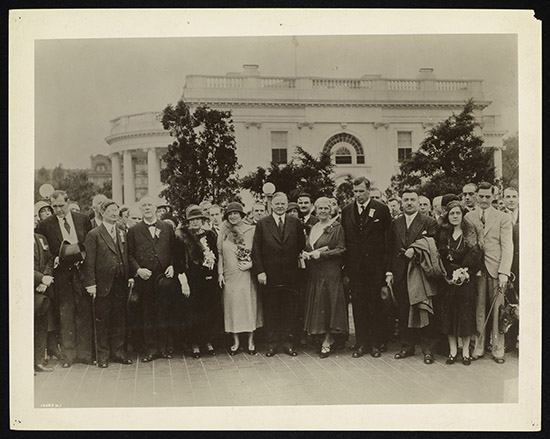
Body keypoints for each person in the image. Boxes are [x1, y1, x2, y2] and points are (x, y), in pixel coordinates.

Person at [37, 190, 93, 367]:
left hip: (81, 272)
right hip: (61, 274)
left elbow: (90, 244)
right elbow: (45, 251)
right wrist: (55, 258)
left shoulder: (82, 219)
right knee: (66, 314)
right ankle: (69, 355)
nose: (58, 210)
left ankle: (85, 354)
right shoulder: (46, 225)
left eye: (61, 205)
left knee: (84, 312)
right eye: (54, 207)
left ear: (68, 203)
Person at [385, 188, 439, 364]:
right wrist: (390, 272)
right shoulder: (395, 223)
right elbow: (390, 249)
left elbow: (431, 245)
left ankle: (428, 349)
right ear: (401, 202)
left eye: (412, 200)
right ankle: (407, 346)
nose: (409, 203)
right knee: (403, 309)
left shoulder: (428, 222)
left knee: (423, 309)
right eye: (406, 200)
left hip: (420, 272)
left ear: (418, 202)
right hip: (400, 272)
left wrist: (414, 250)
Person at [341, 177, 391, 358]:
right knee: (359, 306)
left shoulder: (381, 209)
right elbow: (345, 241)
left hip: (375, 268)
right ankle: (361, 343)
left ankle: (376, 343)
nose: (358, 195)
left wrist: (386, 268)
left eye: (361, 191)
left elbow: (388, 240)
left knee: (375, 304)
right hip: (355, 268)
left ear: (369, 191)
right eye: (355, 192)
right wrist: (346, 270)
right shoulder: (346, 211)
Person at [252, 192, 306, 357]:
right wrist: (260, 271)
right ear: (271, 205)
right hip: (270, 275)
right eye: (277, 203)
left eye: (283, 203)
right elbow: (256, 250)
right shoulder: (262, 224)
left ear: (287, 204)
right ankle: (272, 344)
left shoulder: (295, 222)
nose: (280, 206)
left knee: (289, 309)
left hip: (290, 275)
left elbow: (300, 245)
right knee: (272, 309)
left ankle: (289, 343)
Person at [465, 182, 513, 364]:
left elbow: (508, 246)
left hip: (496, 269)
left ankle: (498, 349)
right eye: (481, 196)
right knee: (478, 309)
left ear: (493, 197)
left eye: (488, 196)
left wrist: (504, 272)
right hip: (477, 270)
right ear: (476, 196)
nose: (484, 200)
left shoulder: (502, 217)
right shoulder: (469, 217)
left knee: (498, 311)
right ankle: (478, 346)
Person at [82, 199, 134, 368]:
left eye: (116, 210)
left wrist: (129, 276)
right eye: (110, 210)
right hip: (103, 284)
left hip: (120, 281)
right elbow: (89, 261)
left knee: (119, 319)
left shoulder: (121, 231)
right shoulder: (94, 234)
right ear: (102, 213)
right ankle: (103, 356)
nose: (113, 213)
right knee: (102, 320)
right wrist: (91, 284)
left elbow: (126, 254)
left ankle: (118, 352)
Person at [127, 195, 176, 362]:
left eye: (149, 205)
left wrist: (171, 265)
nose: (147, 208)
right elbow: (130, 254)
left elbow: (174, 250)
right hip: (145, 277)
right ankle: (151, 349)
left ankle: (164, 348)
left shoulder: (167, 227)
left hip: (163, 277)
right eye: (143, 206)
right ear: (140, 210)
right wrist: (138, 270)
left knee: (164, 311)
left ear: (155, 208)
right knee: (147, 313)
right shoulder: (134, 230)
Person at [437, 201, 482, 366]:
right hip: (448, 281)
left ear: (462, 215)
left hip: (466, 282)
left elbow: (475, 256)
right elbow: (441, 257)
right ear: (447, 216)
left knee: (465, 317)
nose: (455, 216)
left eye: (457, 213)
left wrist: (465, 273)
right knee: (449, 317)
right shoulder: (444, 234)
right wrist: (450, 273)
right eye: (451, 214)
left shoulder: (470, 233)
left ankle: (465, 352)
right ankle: (452, 351)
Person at [302, 197, 347, 358]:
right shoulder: (314, 227)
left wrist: (321, 254)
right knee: (319, 303)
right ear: (315, 209)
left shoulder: (336, 227)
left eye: (325, 208)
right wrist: (307, 253)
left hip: (330, 272)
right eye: (319, 208)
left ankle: (329, 339)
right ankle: (321, 336)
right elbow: (310, 246)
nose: (322, 211)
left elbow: (341, 249)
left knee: (330, 304)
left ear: (331, 210)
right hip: (315, 273)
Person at [174, 205, 221, 358]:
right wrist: (184, 282)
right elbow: (179, 261)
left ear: (202, 220)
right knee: (193, 312)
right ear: (188, 222)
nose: (195, 222)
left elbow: (218, 256)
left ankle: (208, 341)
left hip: (209, 279)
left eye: (198, 219)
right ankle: (194, 343)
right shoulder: (183, 237)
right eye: (192, 220)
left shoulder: (210, 235)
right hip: (192, 280)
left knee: (209, 310)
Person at [217, 202, 263, 355]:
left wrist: (251, 264)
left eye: (236, 213)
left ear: (242, 215)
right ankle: (235, 341)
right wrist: (220, 273)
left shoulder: (252, 230)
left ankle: (251, 340)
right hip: (230, 274)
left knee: (248, 305)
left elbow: (259, 252)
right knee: (232, 307)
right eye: (230, 214)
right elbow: (220, 254)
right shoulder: (223, 232)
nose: (233, 216)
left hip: (246, 274)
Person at [34, 233, 56, 372]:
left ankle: (39, 360)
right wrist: (41, 278)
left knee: (41, 325)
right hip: (26, 287)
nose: (36, 220)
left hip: (42, 289)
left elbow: (49, 259)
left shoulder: (41, 238)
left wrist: (46, 279)